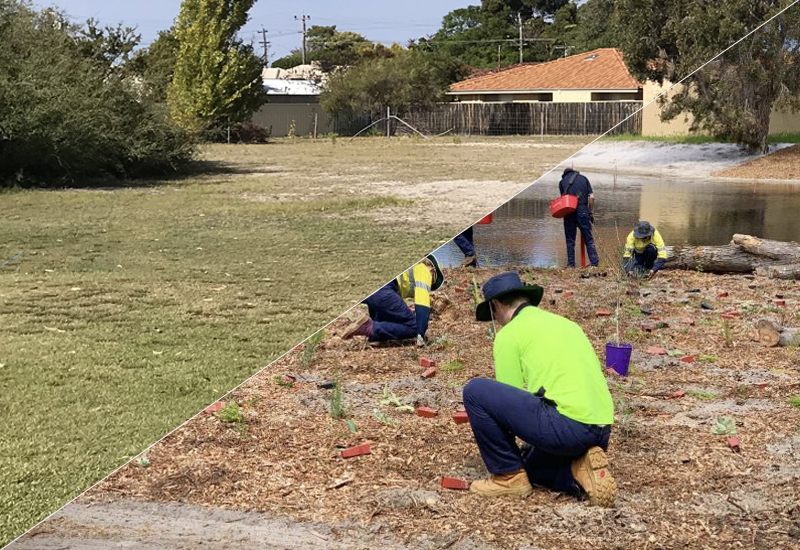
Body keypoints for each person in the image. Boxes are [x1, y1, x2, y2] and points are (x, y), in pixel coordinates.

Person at [463, 271, 617, 506]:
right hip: (601, 429)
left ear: (495, 305)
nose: (496, 321)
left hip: (567, 426)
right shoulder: (567, 324)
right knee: (531, 468)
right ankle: (577, 471)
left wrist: (502, 451)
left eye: (493, 314)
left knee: (475, 391)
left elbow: (507, 404)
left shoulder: (508, 336)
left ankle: (508, 476)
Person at [343, 255, 444, 346]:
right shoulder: (424, 270)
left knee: (389, 313)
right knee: (414, 326)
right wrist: (420, 334)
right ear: (431, 268)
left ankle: (376, 336)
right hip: (382, 292)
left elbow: (391, 305)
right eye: (432, 281)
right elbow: (422, 305)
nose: (429, 285)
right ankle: (369, 327)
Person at [559, 168, 599, 268]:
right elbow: (592, 197)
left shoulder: (561, 182)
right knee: (588, 239)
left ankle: (571, 265)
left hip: (569, 212)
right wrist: (590, 211)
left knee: (570, 240)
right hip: (583, 210)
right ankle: (594, 264)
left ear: (565, 175)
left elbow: (564, 200)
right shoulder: (584, 178)